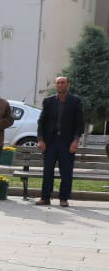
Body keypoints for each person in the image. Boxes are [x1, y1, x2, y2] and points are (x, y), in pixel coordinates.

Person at [35, 75, 84, 208]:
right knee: (48, 171)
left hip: (67, 143)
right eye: (58, 83)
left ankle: (64, 198)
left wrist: (76, 141)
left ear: (68, 84)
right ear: (56, 86)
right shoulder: (48, 101)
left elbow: (79, 124)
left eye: (63, 83)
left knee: (66, 172)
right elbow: (41, 122)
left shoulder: (75, 101)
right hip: (50, 142)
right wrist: (40, 139)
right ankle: (45, 197)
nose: (60, 85)